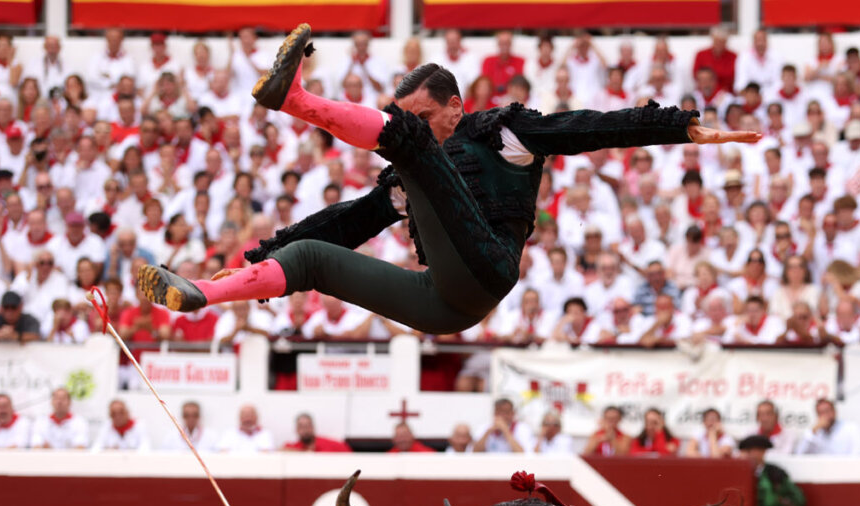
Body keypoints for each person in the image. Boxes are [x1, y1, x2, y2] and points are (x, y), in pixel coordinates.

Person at [140, 24, 758, 336]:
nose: (417, 130)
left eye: (428, 117)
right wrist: (254, 259)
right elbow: (349, 220)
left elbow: (590, 127)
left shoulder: (506, 132)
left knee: (408, 152)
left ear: (457, 107)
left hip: (490, 267)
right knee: (308, 256)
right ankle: (199, 295)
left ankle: (295, 99)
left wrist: (681, 126)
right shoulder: (408, 169)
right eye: (410, 121)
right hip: (441, 305)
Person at [794, 397, 860, 456]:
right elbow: (800, 454)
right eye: (821, 413)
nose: (825, 415)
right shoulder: (815, 433)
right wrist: (813, 432)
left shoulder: (851, 429)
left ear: (834, 412)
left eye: (827, 411)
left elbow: (859, 454)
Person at [283, 413, 351, 452]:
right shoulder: (294, 447)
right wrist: (305, 453)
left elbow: (347, 451)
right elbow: (282, 450)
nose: (305, 430)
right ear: (296, 429)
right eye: (301, 427)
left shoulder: (328, 444)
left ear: (313, 427)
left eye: (307, 426)